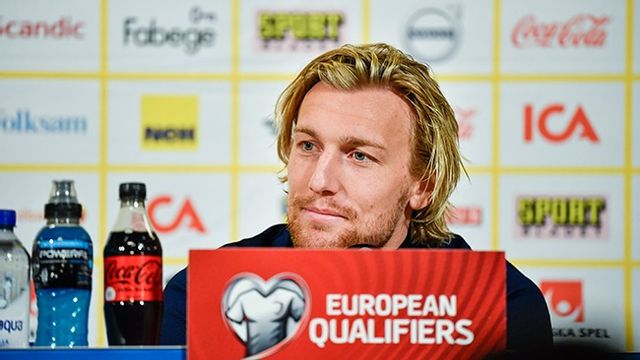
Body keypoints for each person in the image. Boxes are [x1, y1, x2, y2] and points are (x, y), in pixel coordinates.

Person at [160, 43, 553, 351]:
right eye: (308, 146)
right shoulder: (203, 296)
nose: (319, 180)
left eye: (359, 155)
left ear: (423, 186)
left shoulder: (497, 309)